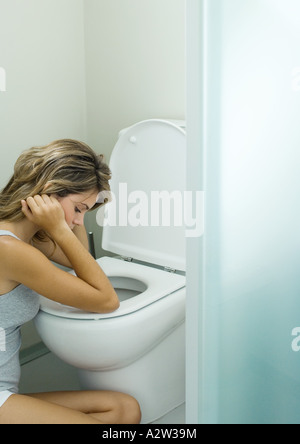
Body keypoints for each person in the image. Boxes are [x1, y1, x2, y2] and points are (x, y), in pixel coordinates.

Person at [0, 139, 141, 424]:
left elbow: (80, 260)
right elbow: (106, 300)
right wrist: (60, 229)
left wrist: (69, 219)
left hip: (6, 391)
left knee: (123, 410)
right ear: (49, 194)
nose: (79, 221)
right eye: (78, 209)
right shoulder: (11, 250)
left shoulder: (24, 236)